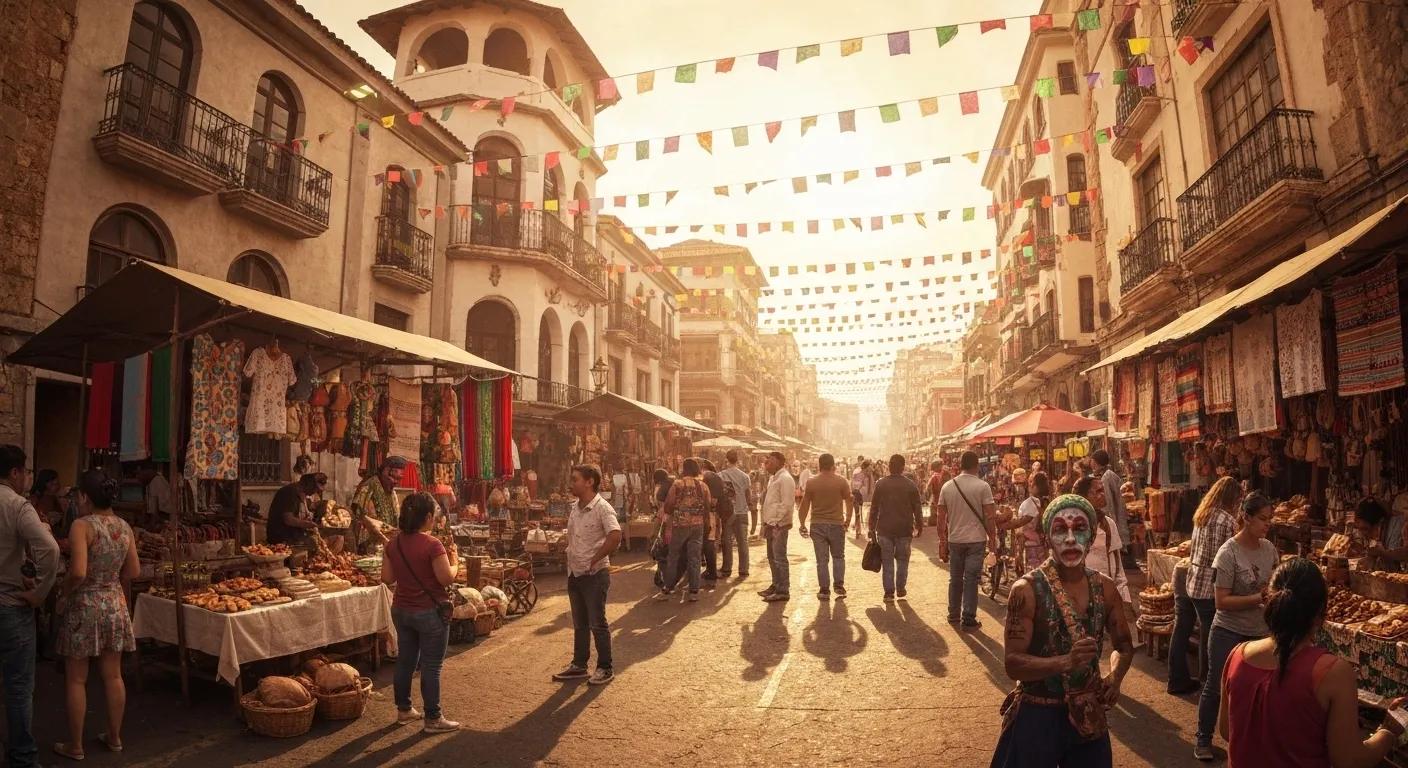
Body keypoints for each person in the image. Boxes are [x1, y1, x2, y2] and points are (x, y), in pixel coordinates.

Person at [991, 495, 1135, 768]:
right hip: (1038, 714)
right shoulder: (1026, 590)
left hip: (1087, 716)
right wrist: (1066, 662)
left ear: (1092, 537)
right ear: (1046, 539)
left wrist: (1115, 678)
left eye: (1079, 529)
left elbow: (1124, 646)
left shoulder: (1105, 588)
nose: (1070, 539)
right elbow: (1014, 664)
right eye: (1060, 530)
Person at [1220, 558, 1408, 766]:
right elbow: (1350, 760)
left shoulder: (1237, 655)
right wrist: (1388, 731)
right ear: (1320, 614)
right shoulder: (1334, 673)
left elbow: (1228, 731)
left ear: (1269, 602)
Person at [52, 470, 140, 760]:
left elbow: (77, 571)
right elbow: (134, 572)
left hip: (84, 606)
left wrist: (64, 593)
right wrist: (110, 580)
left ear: (84, 497)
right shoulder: (124, 527)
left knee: (77, 679)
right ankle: (114, 737)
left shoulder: (81, 526)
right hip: (114, 603)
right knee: (113, 675)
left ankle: (75, 746)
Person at [1194, 492, 1276, 761]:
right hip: (1228, 631)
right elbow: (1221, 601)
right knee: (1216, 685)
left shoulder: (1269, 549)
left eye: (1270, 519)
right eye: (1263, 519)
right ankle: (1203, 739)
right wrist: (1258, 598)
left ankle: (1255, 740)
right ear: (1247, 517)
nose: (1267, 524)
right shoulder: (1228, 552)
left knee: (1261, 691)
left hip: (1260, 632)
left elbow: (1275, 584)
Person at [381, 491, 460, 733]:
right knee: (431, 665)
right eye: (434, 516)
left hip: (401, 610)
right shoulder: (432, 544)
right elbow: (446, 578)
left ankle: (404, 710)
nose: (435, 520)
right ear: (426, 517)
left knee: (405, 660)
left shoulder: (392, 543)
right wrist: (456, 562)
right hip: (429, 613)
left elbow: (387, 578)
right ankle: (433, 719)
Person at [1, 445, 60, 768]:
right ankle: (22, 755)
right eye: (25, 472)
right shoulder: (17, 505)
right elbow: (50, 550)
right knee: (19, 686)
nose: (27, 478)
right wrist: (40, 592)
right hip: (11, 606)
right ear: (14, 473)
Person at [1169, 476, 1241, 696]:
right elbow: (1232, 556)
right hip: (1210, 585)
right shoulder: (1228, 521)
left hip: (1192, 579)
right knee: (1211, 634)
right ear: (1232, 498)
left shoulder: (1202, 515)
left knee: (1184, 630)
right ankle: (1208, 682)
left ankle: (1177, 680)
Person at [554, 465, 622, 686]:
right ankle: (579, 665)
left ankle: (605, 667)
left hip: (594, 574)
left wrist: (596, 558)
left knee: (597, 622)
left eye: (575, 479)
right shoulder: (575, 507)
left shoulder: (602, 507)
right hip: (575, 571)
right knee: (580, 622)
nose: (571, 483)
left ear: (589, 481)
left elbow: (615, 535)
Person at [937, 450, 997, 629]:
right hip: (976, 540)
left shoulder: (947, 486)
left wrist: (942, 540)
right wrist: (992, 537)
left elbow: (940, 516)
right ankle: (968, 617)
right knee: (971, 578)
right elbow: (990, 516)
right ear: (976, 465)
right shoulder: (983, 486)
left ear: (960, 465)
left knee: (955, 578)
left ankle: (953, 614)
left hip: (955, 540)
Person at [797, 453, 852, 600]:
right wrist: (848, 520)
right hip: (836, 524)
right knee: (839, 556)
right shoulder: (842, 481)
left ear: (819, 465)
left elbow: (804, 504)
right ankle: (839, 586)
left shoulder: (811, 482)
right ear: (833, 465)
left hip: (817, 525)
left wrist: (802, 523)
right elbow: (849, 501)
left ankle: (824, 590)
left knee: (822, 560)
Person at [870, 454, 923, 602]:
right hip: (904, 529)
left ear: (889, 467)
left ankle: (888, 593)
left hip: (884, 529)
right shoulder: (910, 485)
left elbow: (874, 508)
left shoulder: (881, 484)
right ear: (902, 467)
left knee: (887, 562)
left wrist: (871, 528)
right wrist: (919, 525)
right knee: (903, 561)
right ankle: (900, 588)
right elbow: (917, 507)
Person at [658, 458, 712, 602]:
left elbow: (668, 506)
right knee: (694, 558)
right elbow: (707, 507)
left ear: (684, 469)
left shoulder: (678, 484)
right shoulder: (703, 486)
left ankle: (668, 588)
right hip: (698, 525)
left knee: (673, 556)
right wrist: (706, 523)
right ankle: (694, 590)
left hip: (680, 525)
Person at [1073, 476, 1130, 605]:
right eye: (1098, 491)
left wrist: (1123, 597)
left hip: (1106, 596)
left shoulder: (1108, 524)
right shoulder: (1071, 527)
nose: (1103, 494)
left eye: (1103, 490)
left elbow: (1117, 565)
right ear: (1084, 496)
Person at [759, 451, 796, 603]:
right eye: (768, 460)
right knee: (772, 557)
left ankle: (783, 590)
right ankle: (776, 584)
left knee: (779, 557)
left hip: (779, 525)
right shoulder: (773, 477)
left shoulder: (785, 478)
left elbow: (786, 504)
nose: (768, 463)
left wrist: (775, 521)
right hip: (771, 523)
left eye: (771, 460)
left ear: (780, 462)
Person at [351, 456, 407, 553]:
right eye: (394, 478)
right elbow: (359, 515)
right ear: (385, 472)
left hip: (389, 545)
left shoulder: (391, 491)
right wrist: (382, 538)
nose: (396, 482)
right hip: (370, 546)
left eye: (399, 479)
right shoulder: (368, 486)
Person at [1091, 450, 1132, 569]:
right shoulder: (1109, 474)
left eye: (1093, 460)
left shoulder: (1106, 477)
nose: (1091, 463)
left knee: (1115, 543)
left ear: (1096, 462)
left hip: (1114, 515)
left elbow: (1107, 502)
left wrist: (1108, 519)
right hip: (1117, 512)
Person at [1009, 471, 1054, 573]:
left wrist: (1018, 554)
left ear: (1036, 487)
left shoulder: (1029, 504)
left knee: (1032, 579)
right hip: (1044, 547)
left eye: (1031, 482)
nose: (1029, 484)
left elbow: (1021, 529)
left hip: (1030, 550)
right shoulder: (1047, 502)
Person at [718, 450, 752, 580]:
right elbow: (748, 495)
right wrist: (748, 506)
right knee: (743, 542)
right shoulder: (745, 476)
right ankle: (744, 570)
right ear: (737, 460)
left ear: (727, 460)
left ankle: (727, 569)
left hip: (728, 514)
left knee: (727, 542)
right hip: (742, 512)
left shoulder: (721, 475)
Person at [265, 473, 324, 547]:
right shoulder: (289, 492)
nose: (314, 492)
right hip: (282, 538)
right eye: (315, 489)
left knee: (333, 539)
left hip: (295, 536)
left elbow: (304, 512)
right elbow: (288, 519)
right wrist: (307, 524)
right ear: (308, 485)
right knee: (316, 545)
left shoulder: (302, 494)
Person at [697, 459, 728, 586]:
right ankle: (710, 570)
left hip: (710, 514)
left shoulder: (708, 477)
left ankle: (712, 573)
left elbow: (713, 501)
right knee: (708, 543)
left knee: (709, 543)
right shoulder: (714, 477)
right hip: (712, 514)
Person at [136, 460, 172, 525]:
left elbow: (155, 512)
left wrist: (151, 527)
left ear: (146, 471)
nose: (138, 477)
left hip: (164, 519)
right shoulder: (151, 482)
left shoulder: (156, 481)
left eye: (139, 473)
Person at [850, 460, 874, 537]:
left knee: (866, 514)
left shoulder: (869, 474)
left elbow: (871, 486)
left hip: (868, 498)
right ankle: (858, 530)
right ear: (866, 467)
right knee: (858, 514)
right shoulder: (858, 474)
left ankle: (865, 529)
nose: (871, 469)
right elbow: (855, 487)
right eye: (870, 467)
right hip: (858, 496)